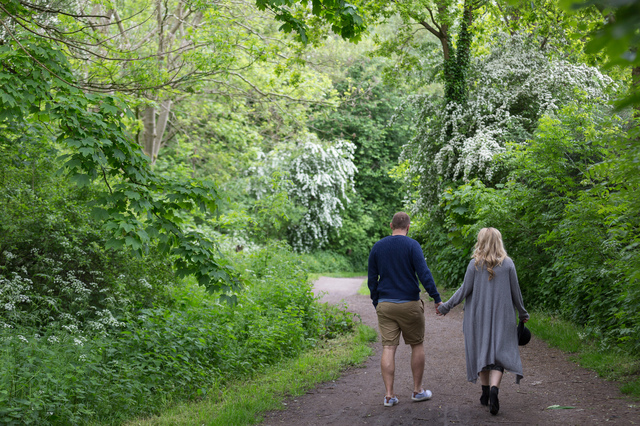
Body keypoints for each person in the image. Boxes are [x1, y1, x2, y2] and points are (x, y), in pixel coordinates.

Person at [436, 227, 529, 415]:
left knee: (482, 351)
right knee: (498, 354)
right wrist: (522, 313)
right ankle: (494, 389)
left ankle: (485, 392)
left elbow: (463, 290)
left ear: (481, 241)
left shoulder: (474, 264)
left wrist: (445, 307)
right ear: (499, 241)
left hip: (477, 317)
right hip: (503, 317)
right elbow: (516, 293)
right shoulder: (508, 264)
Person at [368, 212, 443, 407]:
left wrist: (377, 302)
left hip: (386, 304)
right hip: (409, 304)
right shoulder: (412, 245)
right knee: (416, 345)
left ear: (391, 225)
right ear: (408, 227)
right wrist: (436, 298)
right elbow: (424, 273)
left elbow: (371, 279)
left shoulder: (377, 247)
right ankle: (417, 391)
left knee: (388, 347)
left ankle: (389, 395)